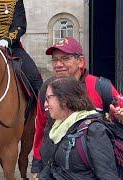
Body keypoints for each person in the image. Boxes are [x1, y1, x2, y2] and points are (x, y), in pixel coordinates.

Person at [31, 37, 122, 178]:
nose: (58, 64)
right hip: (51, 166)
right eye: (54, 60)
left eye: (65, 58)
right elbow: (41, 127)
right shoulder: (47, 88)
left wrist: (118, 119)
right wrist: (37, 164)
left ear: (80, 61)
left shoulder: (101, 86)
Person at [38, 77, 119, 179]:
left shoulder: (94, 130)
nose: (45, 104)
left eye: (48, 98)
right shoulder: (59, 127)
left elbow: (108, 176)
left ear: (64, 99)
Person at [0, 0, 43, 96]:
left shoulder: (15, 1)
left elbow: (20, 26)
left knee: (34, 78)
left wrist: (7, 40)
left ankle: (42, 107)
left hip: (12, 47)